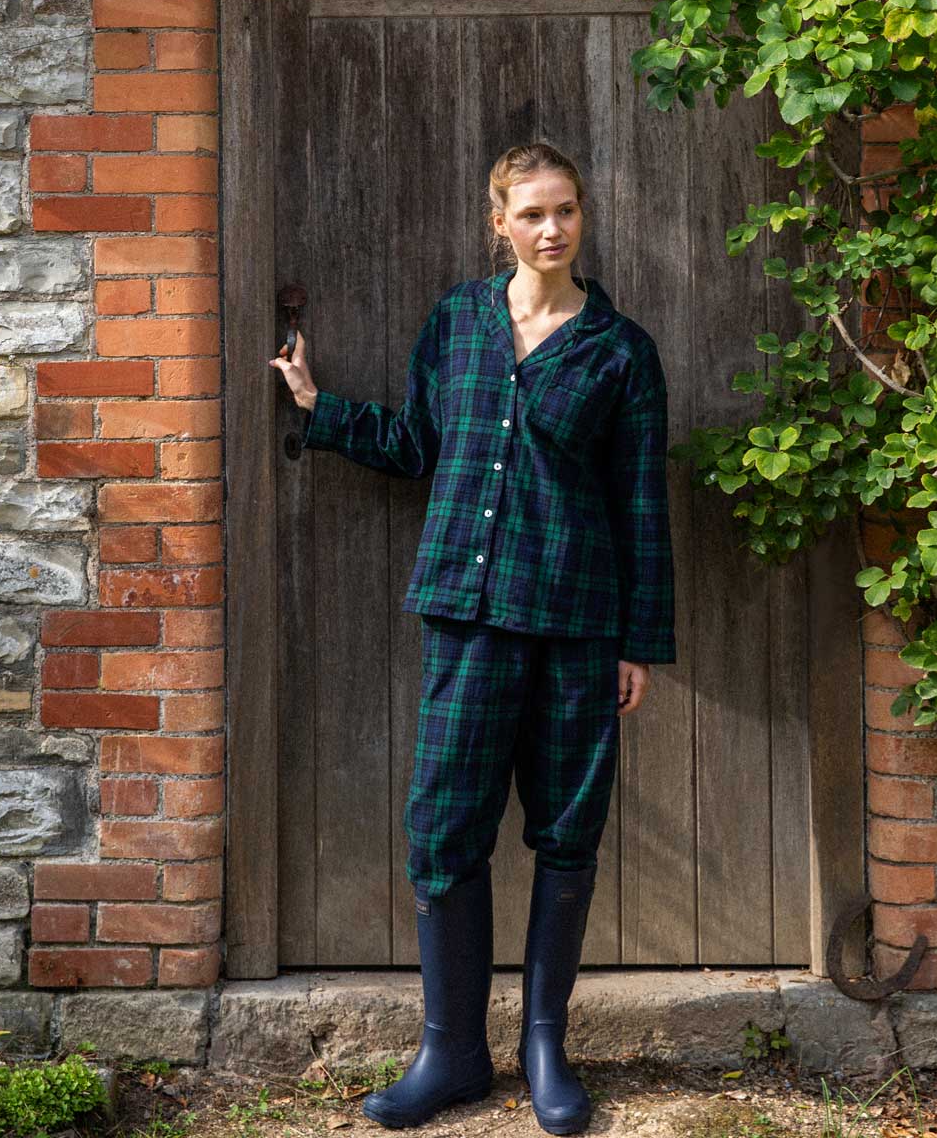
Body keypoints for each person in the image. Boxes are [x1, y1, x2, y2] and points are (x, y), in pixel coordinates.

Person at [269, 142, 676, 1135]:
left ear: (583, 217)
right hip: (466, 617)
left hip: (577, 627)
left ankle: (545, 1047)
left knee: (565, 833)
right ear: (498, 221)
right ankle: (451, 1051)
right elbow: (420, 443)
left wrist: (637, 643)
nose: (552, 228)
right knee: (443, 828)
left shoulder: (620, 351)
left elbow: (639, 507)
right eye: (533, 213)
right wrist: (323, 413)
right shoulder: (456, 322)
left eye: (567, 210)